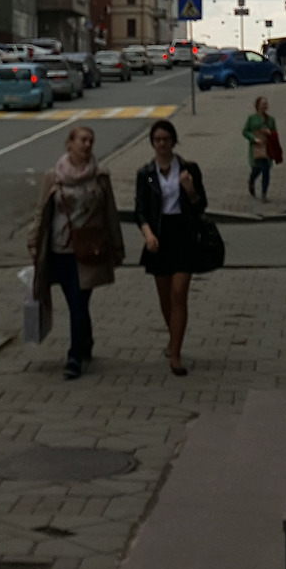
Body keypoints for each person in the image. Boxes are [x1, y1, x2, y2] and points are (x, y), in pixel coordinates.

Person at [29, 123, 125, 380]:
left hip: (89, 250)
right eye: (82, 140)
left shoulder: (100, 177)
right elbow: (41, 211)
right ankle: (85, 340)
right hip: (58, 249)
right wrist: (33, 242)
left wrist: (117, 248)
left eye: (91, 140)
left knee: (78, 301)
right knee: (75, 302)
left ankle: (74, 357)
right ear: (69, 143)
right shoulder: (53, 176)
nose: (87, 144)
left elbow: (111, 213)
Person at [135, 118, 207, 376]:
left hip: (183, 234)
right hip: (159, 235)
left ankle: (175, 354)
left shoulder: (189, 169)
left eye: (166, 139)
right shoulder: (146, 173)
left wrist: (190, 190)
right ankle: (172, 338)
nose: (162, 144)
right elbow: (140, 210)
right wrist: (147, 234)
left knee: (179, 293)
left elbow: (201, 205)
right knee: (165, 298)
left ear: (174, 141)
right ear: (152, 143)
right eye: (157, 140)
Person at [243, 93, 276, 201]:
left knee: (266, 170)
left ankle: (264, 193)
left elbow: (275, 133)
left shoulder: (270, 119)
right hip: (256, 148)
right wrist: (253, 138)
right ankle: (251, 181)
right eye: (262, 104)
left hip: (267, 148)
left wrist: (269, 133)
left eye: (266, 104)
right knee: (256, 169)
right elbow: (245, 131)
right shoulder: (251, 118)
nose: (265, 106)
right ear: (257, 105)